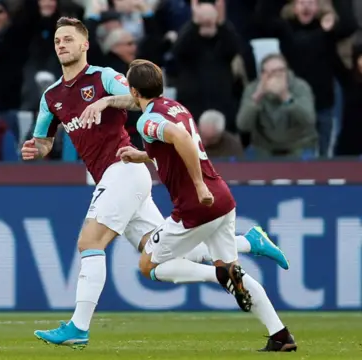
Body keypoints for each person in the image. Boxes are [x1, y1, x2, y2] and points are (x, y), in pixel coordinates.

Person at [22, 17, 289, 349]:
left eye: (68, 39)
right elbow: (45, 141)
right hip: (114, 176)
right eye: (58, 40)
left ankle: (79, 326)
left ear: (84, 45)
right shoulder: (51, 97)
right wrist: (37, 148)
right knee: (162, 261)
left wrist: (105, 100)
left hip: (122, 169)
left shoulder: (104, 77)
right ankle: (246, 247)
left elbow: (139, 100)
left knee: (90, 242)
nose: (61, 44)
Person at [82, 59, 297, 352]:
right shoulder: (175, 107)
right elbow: (177, 146)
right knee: (235, 273)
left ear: (133, 91)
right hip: (222, 199)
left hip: (197, 206)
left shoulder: (146, 120)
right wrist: (142, 155)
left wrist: (197, 184)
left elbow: (180, 139)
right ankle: (281, 335)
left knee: (148, 264)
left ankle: (224, 269)